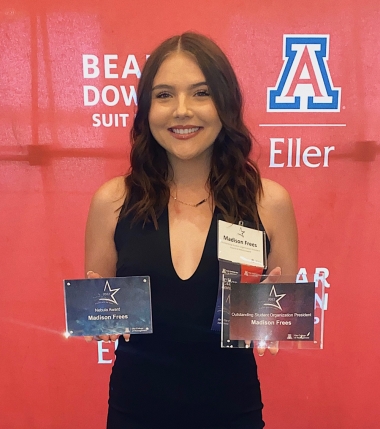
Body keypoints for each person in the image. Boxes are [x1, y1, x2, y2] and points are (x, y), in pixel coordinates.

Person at [85, 32, 297, 429]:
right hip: (137, 412)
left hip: (233, 412)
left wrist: (275, 321)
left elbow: (277, 311)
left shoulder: (270, 203)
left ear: (226, 104)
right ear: (147, 109)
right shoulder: (111, 201)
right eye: (164, 95)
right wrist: (99, 322)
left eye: (201, 93)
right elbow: (101, 307)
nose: (182, 111)